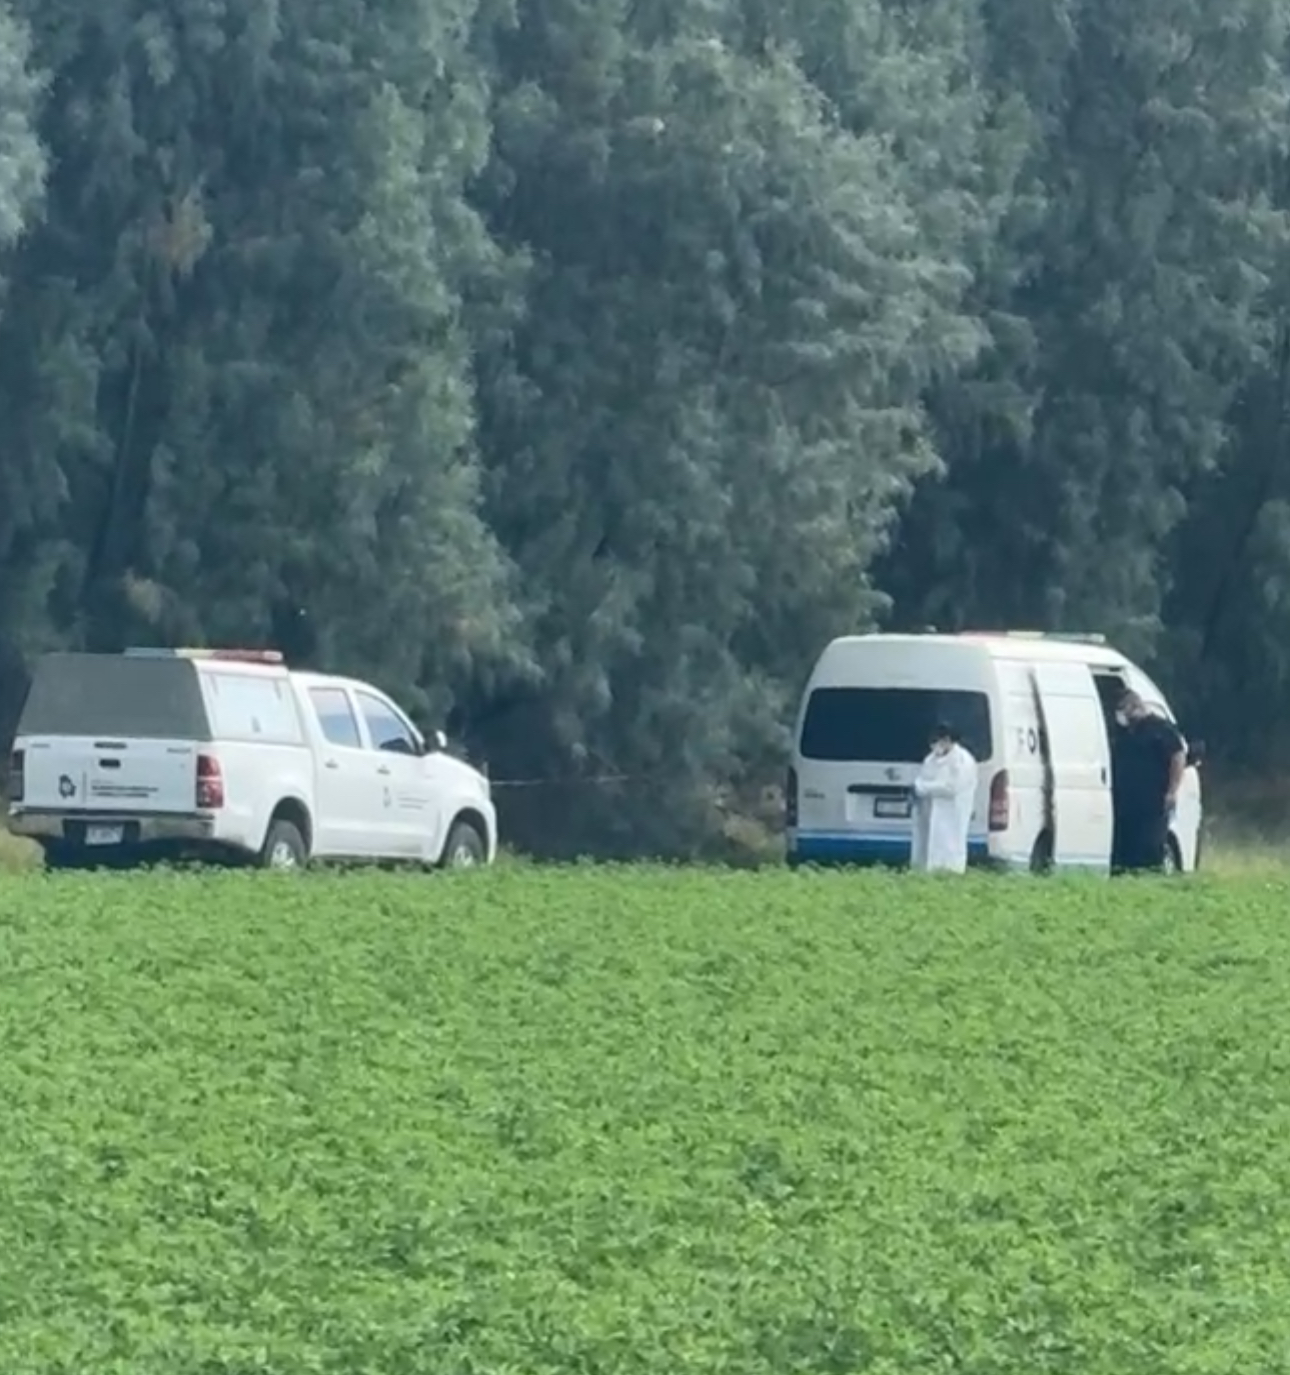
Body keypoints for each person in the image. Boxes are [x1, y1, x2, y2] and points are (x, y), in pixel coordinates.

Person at [1110, 689, 1186, 873]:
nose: (1121, 715)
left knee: (1149, 845)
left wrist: (1172, 790)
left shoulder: (1161, 729)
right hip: (1125, 802)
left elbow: (1178, 755)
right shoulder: (1126, 732)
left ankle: (1149, 874)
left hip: (1152, 801)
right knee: (1124, 849)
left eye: (1123, 709)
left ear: (1135, 706)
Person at [910, 722, 978, 873]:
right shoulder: (931, 759)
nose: (935, 746)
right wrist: (918, 788)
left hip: (953, 813)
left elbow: (951, 787)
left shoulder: (962, 761)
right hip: (929, 812)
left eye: (938, 741)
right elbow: (922, 778)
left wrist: (924, 788)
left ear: (948, 740)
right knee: (927, 848)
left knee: (950, 849)